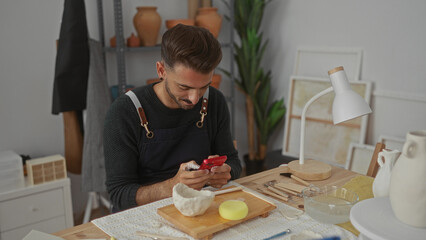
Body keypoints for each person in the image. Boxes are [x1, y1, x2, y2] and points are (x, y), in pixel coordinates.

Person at [104, 24, 242, 212]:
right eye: (184, 87)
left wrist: (226, 172)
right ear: (161, 71)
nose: (195, 98)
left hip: (198, 209)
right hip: (145, 215)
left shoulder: (214, 101)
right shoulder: (124, 112)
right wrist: (172, 186)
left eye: (203, 87)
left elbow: (233, 161)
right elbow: (119, 195)